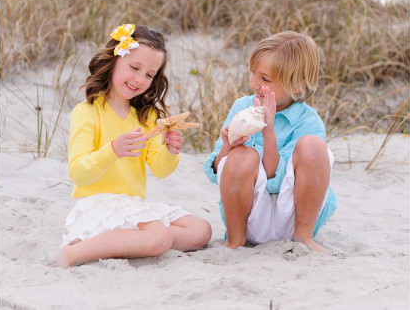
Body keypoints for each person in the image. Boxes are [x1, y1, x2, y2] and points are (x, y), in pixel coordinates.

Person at [48, 24, 211, 267]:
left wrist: (170, 151)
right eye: (134, 67)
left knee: (200, 230)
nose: (139, 79)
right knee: (160, 237)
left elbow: (160, 169)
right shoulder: (87, 112)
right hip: (99, 202)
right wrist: (112, 150)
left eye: (149, 74)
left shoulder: (147, 117)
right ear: (113, 61)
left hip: (133, 205)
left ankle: (120, 241)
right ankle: (71, 254)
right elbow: (79, 173)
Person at [203, 31, 336, 252]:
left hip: (294, 216)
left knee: (314, 146)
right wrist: (227, 147)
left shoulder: (308, 121)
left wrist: (269, 130)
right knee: (242, 155)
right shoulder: (241, 106)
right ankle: (235, 240)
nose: (254, 83)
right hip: (249, 216)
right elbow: (214, 173)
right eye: (253, 74)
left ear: (296, 85)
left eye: (265, 79)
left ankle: (304, 237)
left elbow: (275, 180)